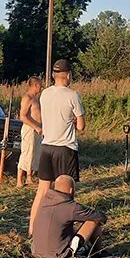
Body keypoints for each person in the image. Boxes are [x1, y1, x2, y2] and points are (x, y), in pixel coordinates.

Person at [29, 59, 85, 237]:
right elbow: (81, 126)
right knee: (66, 193)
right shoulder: (73, 95)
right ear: (68, 75)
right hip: (65, 148)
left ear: (53, 75)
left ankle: (32, 230)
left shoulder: (44, 94)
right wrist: (74, 120)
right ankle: (64, 232)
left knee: (42, 191)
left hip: (47, 147)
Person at [31, 174, 107, 258]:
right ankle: (96, 253)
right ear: (71, 190)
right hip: (58, 255)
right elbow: (100, 216)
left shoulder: (44, 202)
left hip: (37, 252)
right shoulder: (71, 207)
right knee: (94, 220)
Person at [17, 76, 43, 187]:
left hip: (37, 129)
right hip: (29, 128)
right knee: (26, 153)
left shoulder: (35, 98)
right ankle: (19, 180)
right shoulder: (27, 98)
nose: (41, 87)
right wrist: (35, 127)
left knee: (34, 153)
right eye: (40, 85)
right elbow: (22, 116)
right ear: (36, 85)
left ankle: (29, 177)